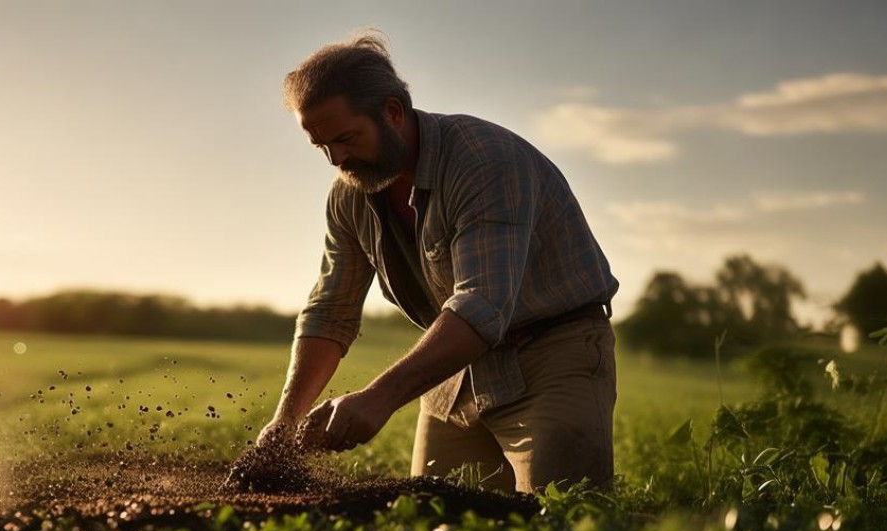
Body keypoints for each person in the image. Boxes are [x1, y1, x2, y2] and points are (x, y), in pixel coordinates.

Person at [256, 32, 620, 494]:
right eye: (320, 146)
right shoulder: (350, 193)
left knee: (560, 518)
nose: (336, 159)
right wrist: (284, 425)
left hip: (551, 357)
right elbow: (331, 310)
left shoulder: (484, 161)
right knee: (430, 521)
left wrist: (378, 398)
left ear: (392, 112)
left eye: (346, 138)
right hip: (453, 376)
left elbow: (482, 304)